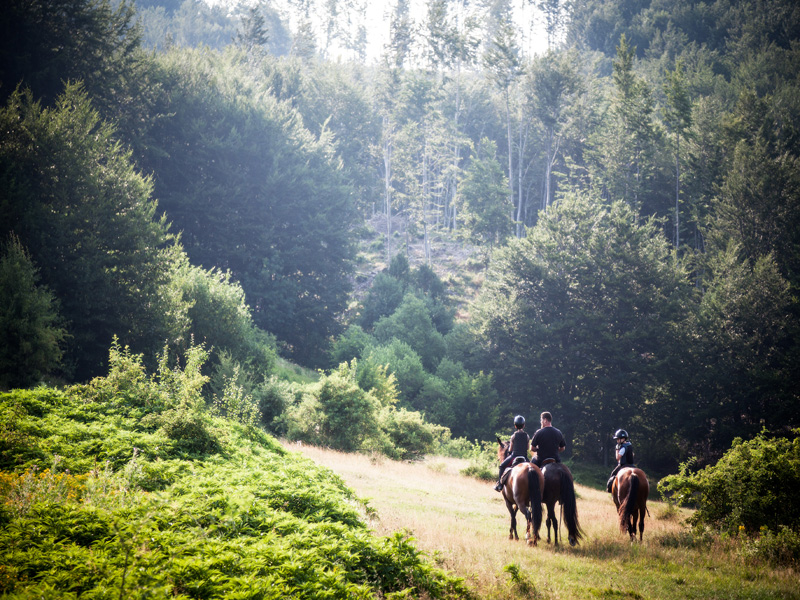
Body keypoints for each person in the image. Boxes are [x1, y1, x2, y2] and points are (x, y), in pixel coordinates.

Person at [494, 415, 530, 491]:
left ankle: (500, 485)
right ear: (524, 425)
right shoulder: (527, 436)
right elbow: (527, 448)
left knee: (502, 466)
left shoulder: (513, 436)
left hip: (514, 456)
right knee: (533, 468)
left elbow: (510, 448)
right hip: (524, 457)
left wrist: (510, 452)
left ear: (515, 426)